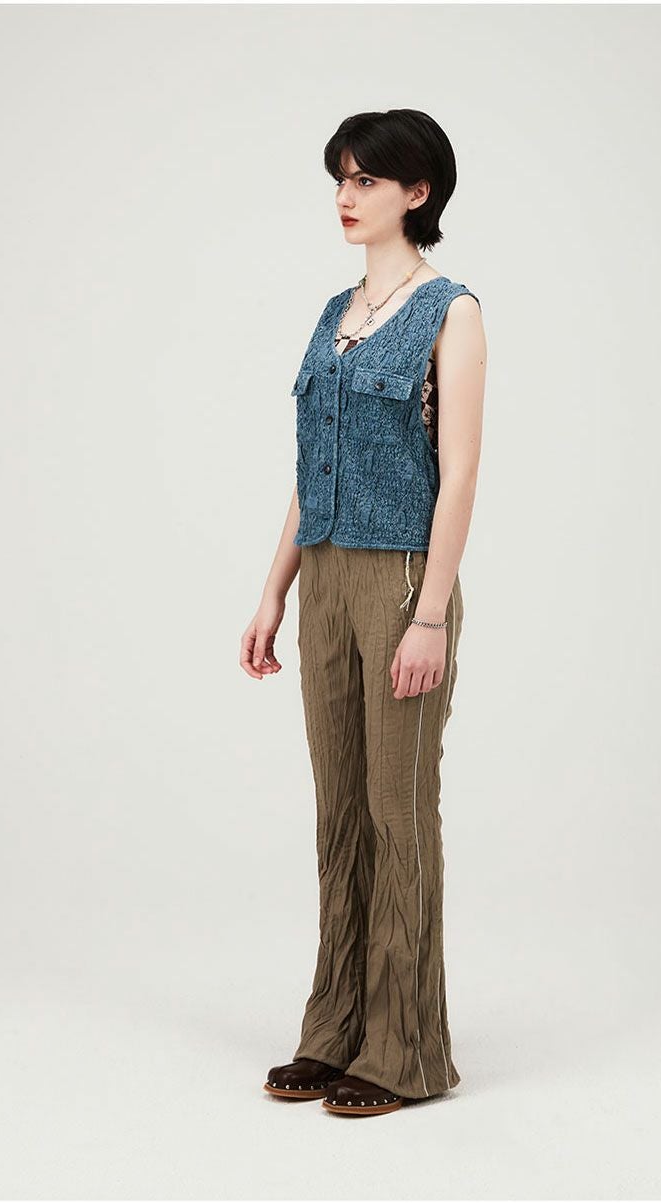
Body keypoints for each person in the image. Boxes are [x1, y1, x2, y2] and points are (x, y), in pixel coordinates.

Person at [240, 108, 487, 1118]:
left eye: (367, 180)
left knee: (397, 808)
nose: (346, 197)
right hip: (327, 580)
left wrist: (427, 615)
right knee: (339, 809)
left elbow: (458, 474)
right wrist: (274, 587)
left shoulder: (451, 311)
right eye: (340, 179)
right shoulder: (331, 313)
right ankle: (335, 1026)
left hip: (399, 580)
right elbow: (313, 471)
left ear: (416, 193)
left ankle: (404, 1049)